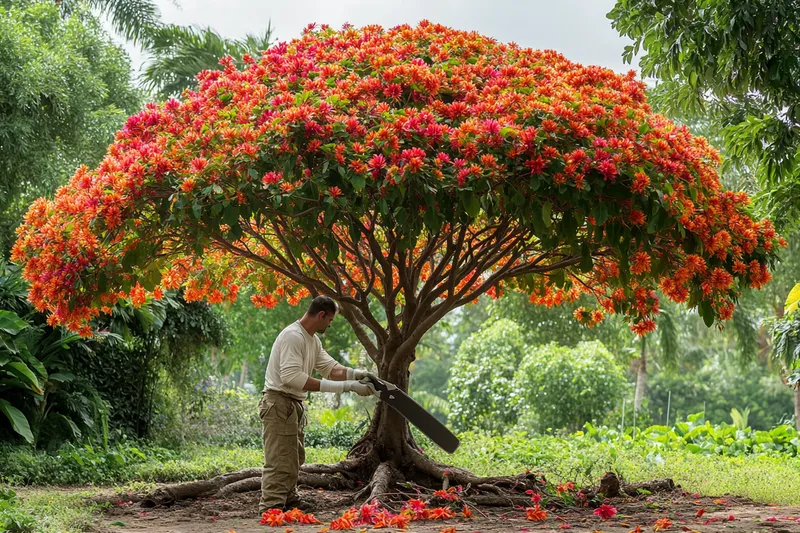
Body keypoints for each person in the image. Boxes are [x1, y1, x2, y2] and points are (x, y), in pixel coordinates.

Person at [258, 295, 377, 513]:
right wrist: (348, 387)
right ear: (321, 315)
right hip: (279, 401)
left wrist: (358, 374)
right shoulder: (293, 336)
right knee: (279, 459)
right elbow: (292, 378)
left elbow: (331, 368)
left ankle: (289, 500)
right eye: (329, 320)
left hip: (293, 404)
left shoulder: (312, 339)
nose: (329, 326)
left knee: (294, 457)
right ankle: (271, 508)